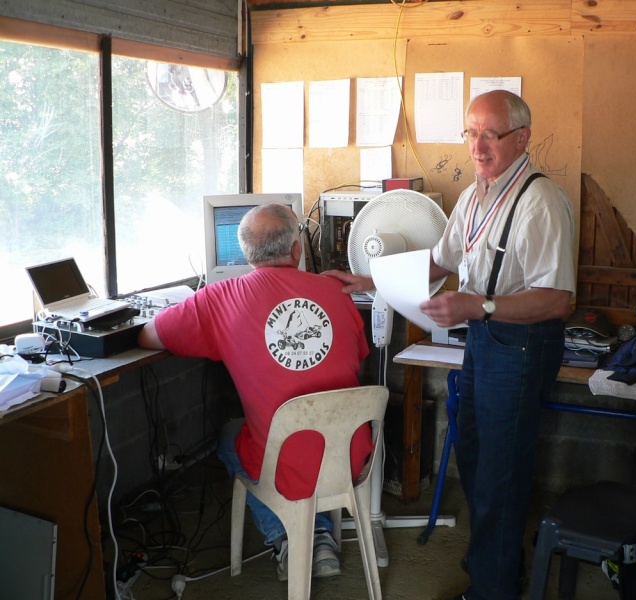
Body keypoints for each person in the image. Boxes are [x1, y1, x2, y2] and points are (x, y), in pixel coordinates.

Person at [325, 90, 575, 600]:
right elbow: (438, 262)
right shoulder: (474, 195)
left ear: (522, 138)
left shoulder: (539, 200)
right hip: (486, 339)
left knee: (501, 472)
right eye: (470, 133)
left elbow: (556, 300)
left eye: (491, 134)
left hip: (522, 346)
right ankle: (499, 564)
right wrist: (364, 279)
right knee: (481, 461)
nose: (478, 147)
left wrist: (477, 306)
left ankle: (494, 588)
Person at [138, 203, 372, 581]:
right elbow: (357, 357)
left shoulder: (218, 299)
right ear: (297, 251)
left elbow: (149, 336)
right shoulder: (337, 291)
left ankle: (289, 540)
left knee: (230, 435)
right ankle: (320, 536)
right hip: (351, 456)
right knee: (316, 435)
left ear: (245, 253)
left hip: (285, 464)